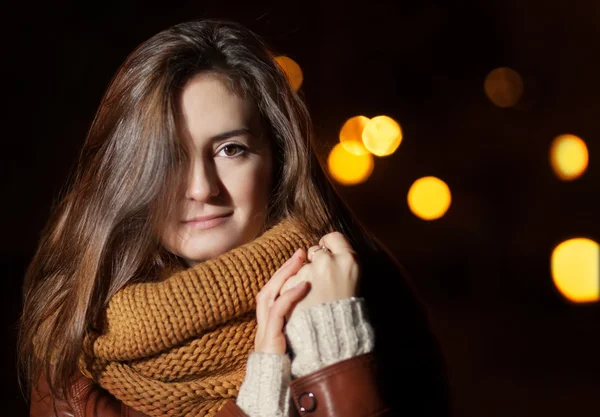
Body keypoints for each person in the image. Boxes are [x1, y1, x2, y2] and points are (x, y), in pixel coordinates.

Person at [18, 19, 450, 417]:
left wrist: (333, 347)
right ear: (129, 175)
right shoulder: (75, 346)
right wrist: (264, 387)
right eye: (168, 157)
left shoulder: (368, 294)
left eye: (231, 150)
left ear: (277, 161)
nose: (202, 188)